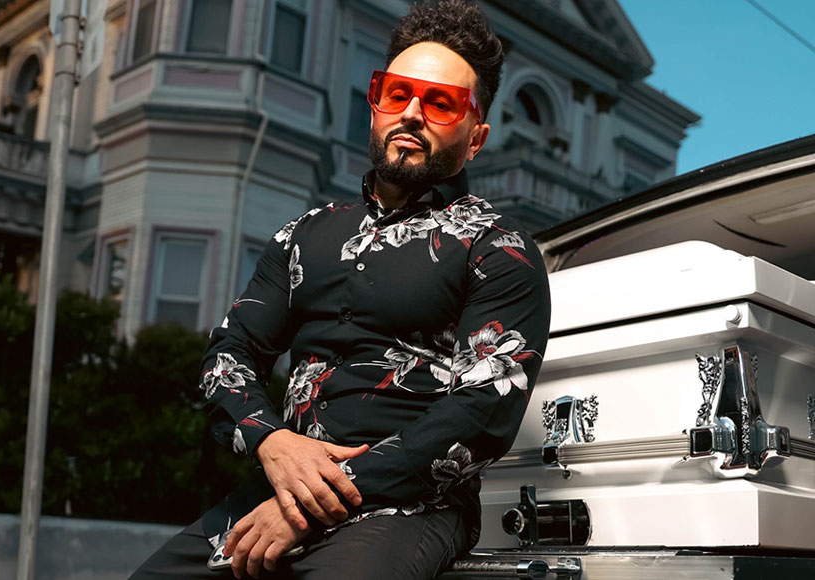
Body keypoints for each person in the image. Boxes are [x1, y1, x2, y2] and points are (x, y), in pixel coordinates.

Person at [130, 0, 551, 578]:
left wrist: (322, 495)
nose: (412, 113)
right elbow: (229, 354)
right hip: (276, 490)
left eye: (440, 103)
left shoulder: (499, 247)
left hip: (410, 507)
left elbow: (485, 409)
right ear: (375, 106)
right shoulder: (303, 235)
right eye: (397, 93)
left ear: (475, 138)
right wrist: (272, 443)